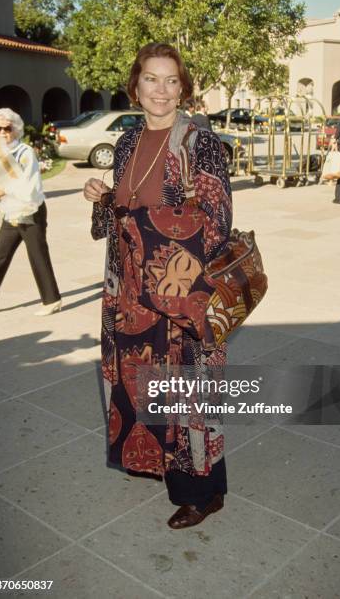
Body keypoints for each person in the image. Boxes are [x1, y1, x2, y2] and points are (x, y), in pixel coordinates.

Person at [83, 42, 232, 529]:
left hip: (177, 292)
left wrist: (145, 230)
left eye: (171, 81)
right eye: (151, 79)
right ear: (135, 85)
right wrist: (103, 199)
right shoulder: (127, 142)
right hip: (127, 292)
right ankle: (160, 464)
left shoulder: (199, 143)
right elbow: (116, 218)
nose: (161, 90)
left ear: (183, 88)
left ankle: (203, 492)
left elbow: (216, 223)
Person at [0, 108, 61, 315]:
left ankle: (52, 300)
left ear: (15, 130)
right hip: (10, 211)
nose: (1, 133)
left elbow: (32, 185)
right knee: (0, 253)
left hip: (30, 209)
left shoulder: (24, 152)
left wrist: (5, 190)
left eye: (6, 128)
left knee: (37, 254)